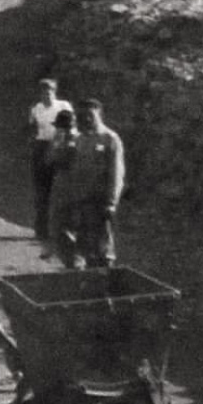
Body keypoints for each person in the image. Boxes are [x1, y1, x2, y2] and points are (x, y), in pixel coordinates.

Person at [69, 98, 125, 268]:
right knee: (85, 243)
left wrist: (112, 202)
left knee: (104, 246)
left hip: (101, 200)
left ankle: (107, 280)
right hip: (83, 198)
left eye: (90, 115)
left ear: (99, 115)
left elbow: (117, 173)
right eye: (83, 116)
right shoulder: (80, 139)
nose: (87, 119)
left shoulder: (110, 139)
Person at [27, 78, 73, 238]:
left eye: (50, 91)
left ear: (55, 91)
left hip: (59, 146)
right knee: (41, 189)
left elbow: (69, 128)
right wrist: (34, 145)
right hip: (41, 146)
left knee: (61, 188)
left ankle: (61, 228)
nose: (47, 94)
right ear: (40, 93)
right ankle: (41, 228)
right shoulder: (36, 109)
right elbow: (32, 129)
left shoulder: (63, 107)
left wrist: (61, 147)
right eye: (44, 91)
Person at [45, 108, 80, 268]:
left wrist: (58, 146)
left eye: (59, 127)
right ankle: (69, 261)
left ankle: (74, 262)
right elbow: (48, 160)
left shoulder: (77, 140)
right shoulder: (62, 139)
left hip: (73, 188)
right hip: (62, 185)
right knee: (60, 225)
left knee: (67, 225)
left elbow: (55, 159)